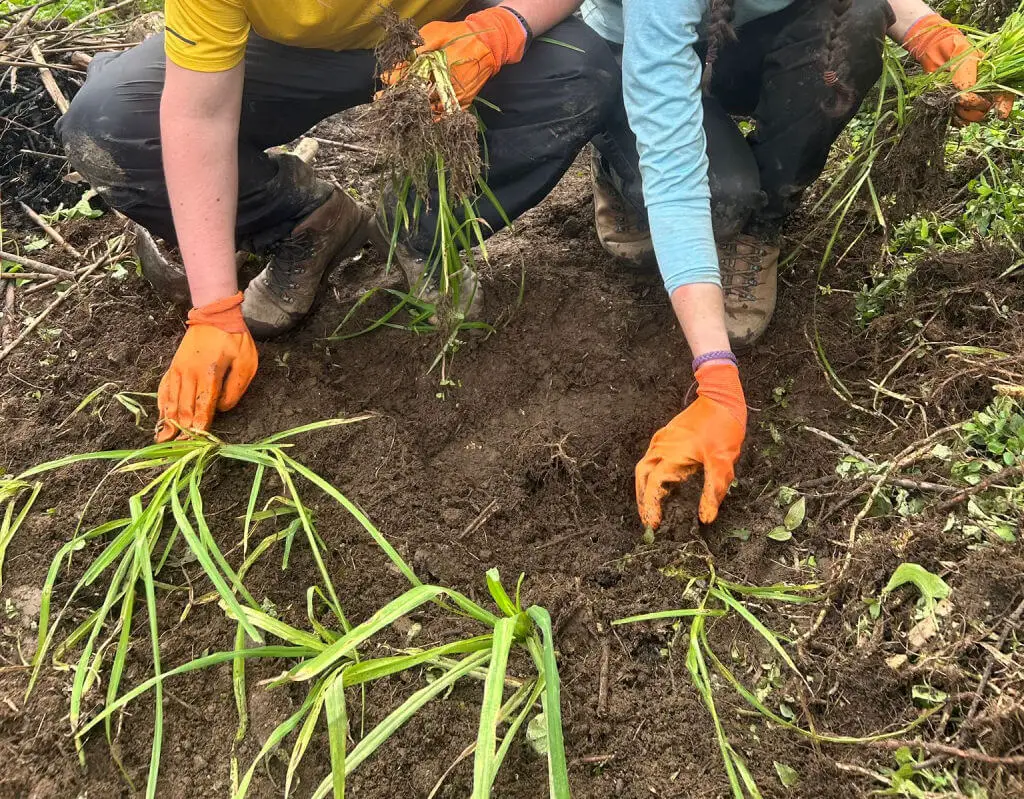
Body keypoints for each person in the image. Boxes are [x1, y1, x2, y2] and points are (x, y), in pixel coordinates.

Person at [57, 0, 617, 442]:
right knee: (115, 123)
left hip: (454, 22)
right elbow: (196, 115)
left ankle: (418, 227)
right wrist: (214, 312)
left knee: (587, 60)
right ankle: (302, 221)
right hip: (286, 52)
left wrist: (504, 27)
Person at [579, 0, 1015, 530]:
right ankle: (616, 163)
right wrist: (716, 376)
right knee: (717, 198)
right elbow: (675, 176)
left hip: (744, 40)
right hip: (637, 51)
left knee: (854, 21)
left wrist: (923, 26)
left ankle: (762, 221)